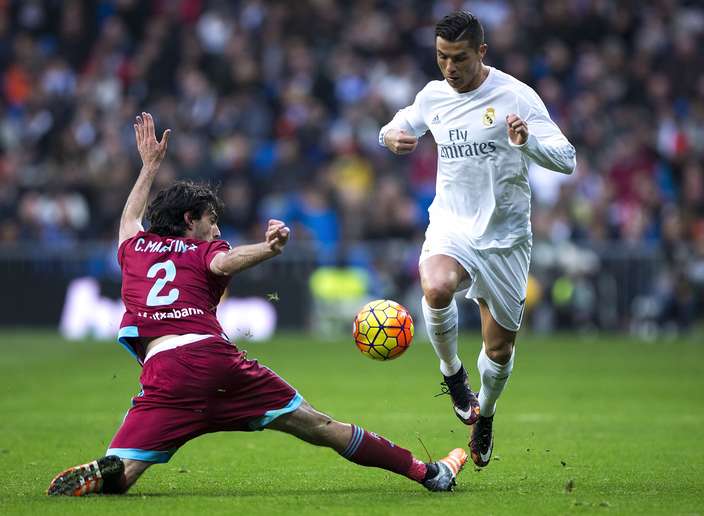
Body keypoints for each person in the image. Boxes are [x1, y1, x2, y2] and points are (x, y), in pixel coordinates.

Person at [47, 113, 467, 496]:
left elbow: (128, 221)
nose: (216, 229)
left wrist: (149, 167)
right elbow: (223, 260)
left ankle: (106, 470)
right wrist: (269, 248)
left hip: (165, 377)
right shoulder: (201, 251)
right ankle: (428, 473)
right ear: (192, 219)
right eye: (211, 220)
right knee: (321, 426)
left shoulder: (135, 248)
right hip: (211, 360)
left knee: (123, 474)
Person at [379, 11, 576, 467]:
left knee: (499, 351)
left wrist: (528, 142)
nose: (449, 67)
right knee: (435, 287)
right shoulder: (433, 96)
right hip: (452, 224)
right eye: (441, 57)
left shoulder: (516, 96)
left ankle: (484, 414)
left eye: (460, 58)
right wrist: (388, 137)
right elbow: (396, 124)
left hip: (505, 238)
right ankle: (452, 376)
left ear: (481, 52)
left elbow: (567, 159)